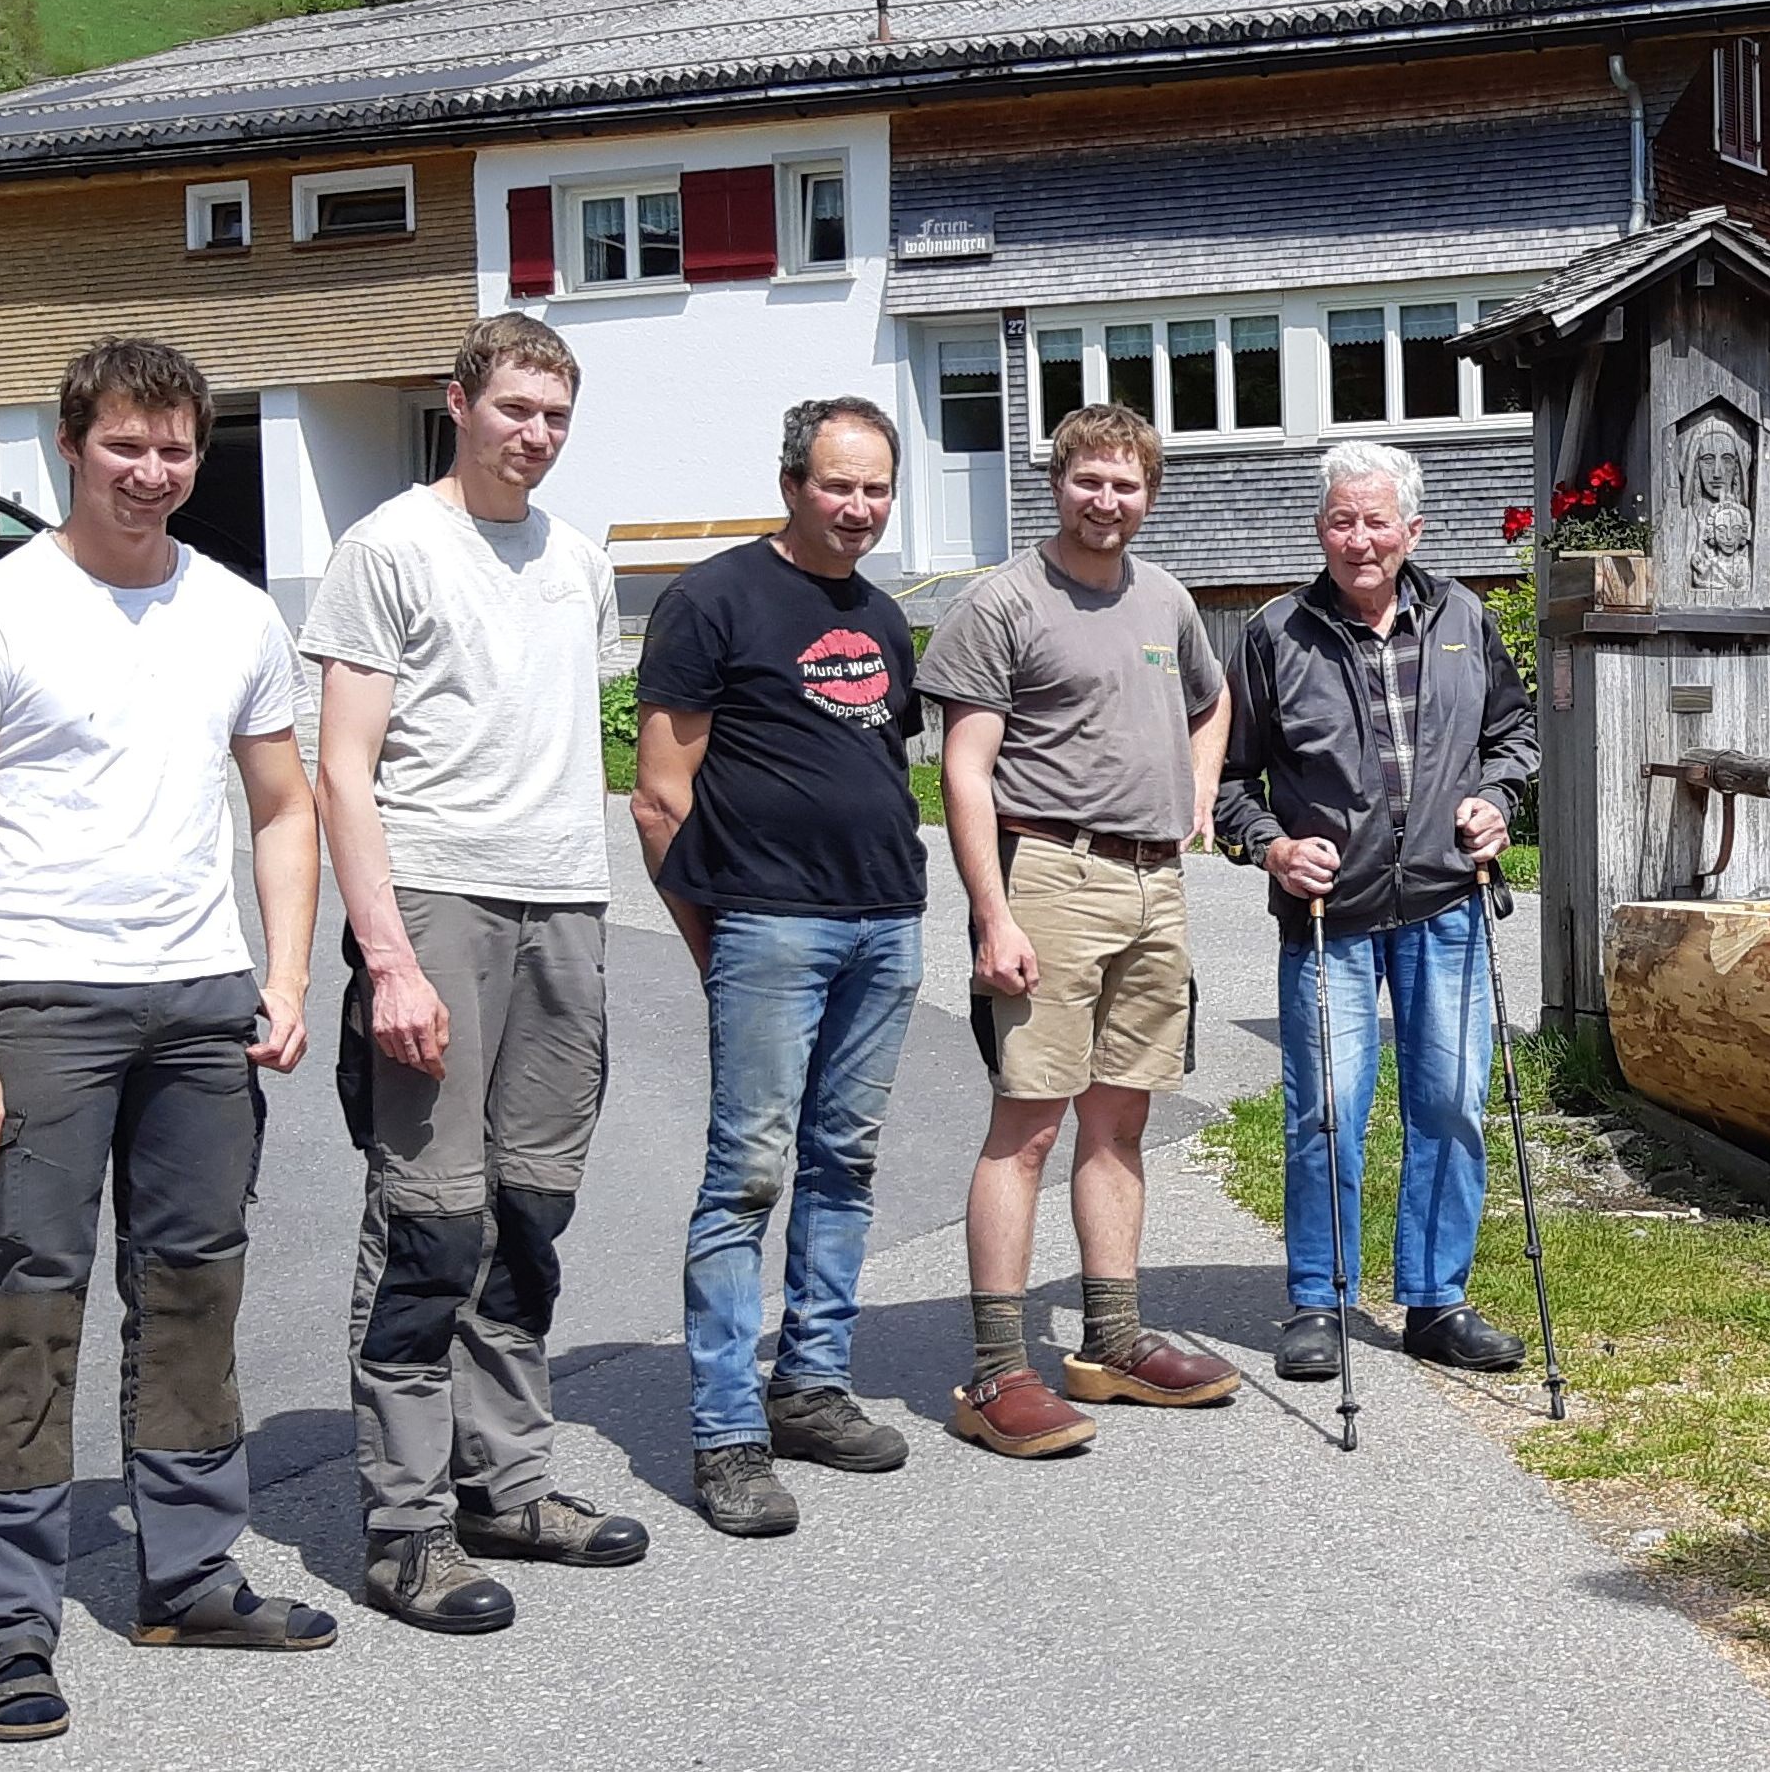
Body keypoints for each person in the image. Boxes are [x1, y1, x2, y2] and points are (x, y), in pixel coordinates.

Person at [0, 337, 334, 1745]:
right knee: (29, 1298)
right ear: (71, 446)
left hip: (200, 997)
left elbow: (281, 804)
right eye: (125, 446)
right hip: (41, 1001)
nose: (153, 473)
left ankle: (189, 1574)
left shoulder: (236, 614)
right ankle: (9, 1622)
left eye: (177, 449)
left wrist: (283, 971)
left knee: (196, 1286)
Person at [303, 313, 645, 1636]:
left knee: (528, 1214)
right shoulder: (389, 546)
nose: (537, 434)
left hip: (565, 901)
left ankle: (507, 1483)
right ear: (459, 402)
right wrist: (385, 954)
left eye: (556, 415)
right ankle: (406, 1529)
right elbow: (342, 767)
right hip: (437, 899)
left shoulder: (574, 558)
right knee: (431, 1218)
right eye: (514, 408)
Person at [917, 402, 1237, 1460]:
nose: (1107, 500)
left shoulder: (1165, 595)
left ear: (1151, 492)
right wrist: (992, 912)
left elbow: (1210, 699)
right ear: (1056, 483)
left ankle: (1111, 1341)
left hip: (1153, 884)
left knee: (1121, 1122)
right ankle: (997, 1368)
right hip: (1048, 871)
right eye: (1089, 481)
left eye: (1127, 484)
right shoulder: (1002, 602)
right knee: (1030, 1126)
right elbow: (963, 768)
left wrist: (1198, 789)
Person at [632, 397, 928, 1538]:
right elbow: (662, 797)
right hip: (769, 927)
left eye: (874, 489)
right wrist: (717, 938)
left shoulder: (887, 618)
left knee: (844, 1160)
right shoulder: (711, 601)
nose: (857, 507)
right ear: (792, 482)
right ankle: (725, 1433)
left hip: (884, 922)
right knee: (745, 1176)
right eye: (837, 485)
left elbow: (873, 757)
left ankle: (809, 1384)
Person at [1213, 441, 1540, 1383]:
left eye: (1376, 520)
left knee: (1448, 1106)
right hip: (1331, 919)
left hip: (1446, 905)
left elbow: (1511, 734)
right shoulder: (1275, 633)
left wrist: (1497, 800)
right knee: (1324, 1111)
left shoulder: (1464, 619)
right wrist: (1269, 845)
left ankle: (1436, 1301)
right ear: (1320, 529)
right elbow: (1230, 780)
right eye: (1340, 521)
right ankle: (1319, 1300)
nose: (1359, 539)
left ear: (1412, 530)